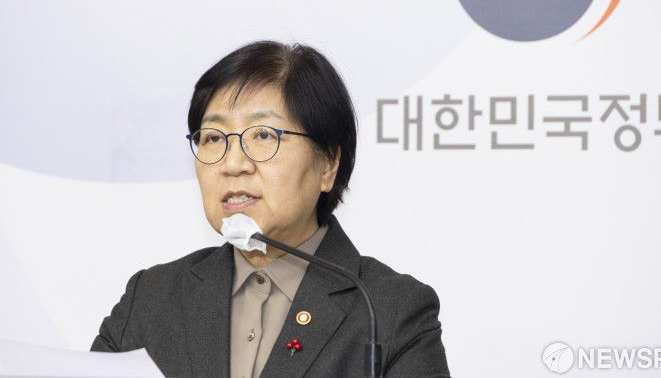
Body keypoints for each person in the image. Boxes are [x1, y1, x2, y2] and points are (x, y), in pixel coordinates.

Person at [90, 40, 450, 377]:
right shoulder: (150, 299)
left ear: (327, 164)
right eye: (213, 138)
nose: (233, 164)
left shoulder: (389, 311)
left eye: (263, 135)